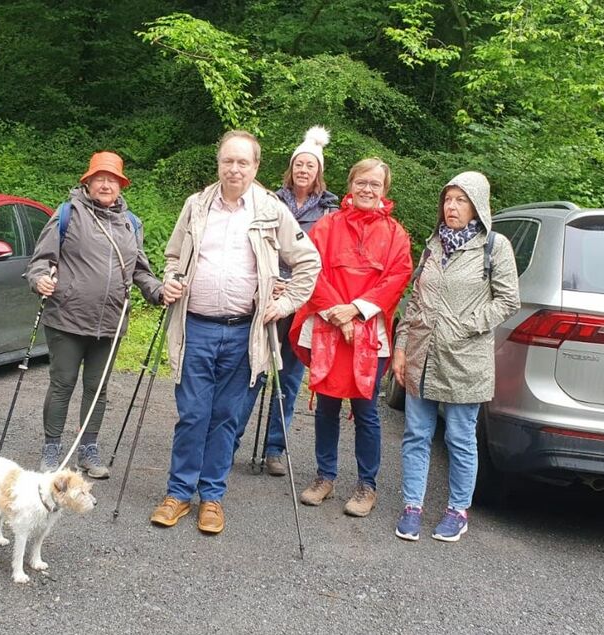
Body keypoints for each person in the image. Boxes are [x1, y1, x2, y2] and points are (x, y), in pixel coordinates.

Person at [150, 130, 321, 535]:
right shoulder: (196, 206)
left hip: (247, 334)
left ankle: (212, 498)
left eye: (243, 162)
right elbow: (173, 255)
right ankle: (178, 493)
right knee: (193, 415)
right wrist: (172, 278)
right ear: (218, 162)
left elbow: (308, 261)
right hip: (196, 328)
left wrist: (283, 304)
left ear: (256, 166)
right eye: (228, 160)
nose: (234, 168)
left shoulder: (271, 209)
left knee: (226, 417)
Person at [392, 171, 519, 542]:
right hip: (421, 355)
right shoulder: (432, 246)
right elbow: (415, 300)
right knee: (416, 435)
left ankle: (457, 510)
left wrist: (467, 325)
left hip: (465, 360)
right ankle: (411, 506)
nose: (452, 207)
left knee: (460, 438)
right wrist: (401, 347)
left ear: (477, 205)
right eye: (448, 199)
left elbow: (508, 300)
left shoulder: (494, 247)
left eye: (461, 200)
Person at [26, 151, 163, 478]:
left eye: (112, 179)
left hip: (111, 323)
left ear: (120, 185)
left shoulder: (131, 224)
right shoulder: (68, 215)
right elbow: (40, 261)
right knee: (63, 383)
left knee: (96, 388)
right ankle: (52, 449)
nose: (105, 184)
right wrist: (39, 279)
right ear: (87, 182)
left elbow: (140, 270)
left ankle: (88, 448)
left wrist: (157, 291)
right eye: (99, 178)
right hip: (67, 320)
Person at [290, 157, 412, 518]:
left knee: (366, 409)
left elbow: (396, 278)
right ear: (350, 183)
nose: (367, 189)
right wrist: (336, 313)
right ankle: (324, 476)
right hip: (329, 328)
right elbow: (311, 268)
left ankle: (366, 485)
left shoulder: (396, 234)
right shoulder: (328, 226)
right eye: (362, 182)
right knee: (327, 405)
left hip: (369, 332)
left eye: (375, 184)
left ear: (385, 190)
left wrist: (356, 310)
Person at [234, 126, 338, 476]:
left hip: (301, 304)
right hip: (267, 294)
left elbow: (322, 260)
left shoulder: (329, 212)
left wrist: (293, 287)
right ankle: (231, 439)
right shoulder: (270, 202)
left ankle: (275, 448)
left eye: (310, 165)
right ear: (290, 168)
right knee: (253, 371)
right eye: (298, 164)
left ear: (318, 171)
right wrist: (271, 281)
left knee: (289, 379)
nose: (303, 170)